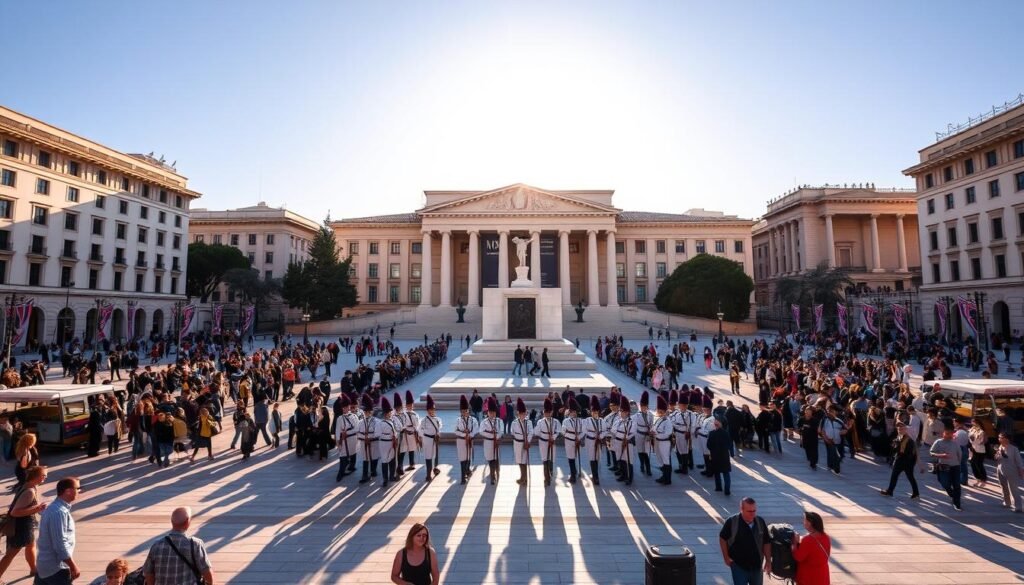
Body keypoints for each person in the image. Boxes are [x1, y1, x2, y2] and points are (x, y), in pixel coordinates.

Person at [142, 507, 214, 585]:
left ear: (172, 521)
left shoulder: (157, 545)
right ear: (187, 522)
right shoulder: (195, 544)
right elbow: (207, 573)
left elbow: (148, 573)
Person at [0, 465, 46, 581]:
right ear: (36, 477)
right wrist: (36, 509)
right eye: (43, 476)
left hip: (26, 525)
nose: (45, 478)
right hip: (20, 527)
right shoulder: (29, 491)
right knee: (11, 553)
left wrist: (37, 507)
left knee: (31, 546)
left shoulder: (30, 486)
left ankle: (34, 569)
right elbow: (15, 512)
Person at [35, 476, 81, 585]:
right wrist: (73, 565)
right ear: (68, 491)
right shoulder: (59, 512)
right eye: (77, 488)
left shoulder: (55, 508)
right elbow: (59, 544)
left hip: (45, 567)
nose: (80, 491)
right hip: (56, 569)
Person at [718, 497, 771, 585]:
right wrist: (726, 557)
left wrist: (768, 561)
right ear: (741, 509)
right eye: (749, 511)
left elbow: (766, 542)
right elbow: (722, 538)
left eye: (754, 511)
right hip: (739, 566)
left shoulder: (760, 522)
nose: (752, 514)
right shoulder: (732, 522)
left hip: (756, 566)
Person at [880, 422, 920, 499]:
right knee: (894, 476)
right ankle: (890, 491)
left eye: (902, 429)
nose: (900, 430)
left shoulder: (909, 440)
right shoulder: (898, 438)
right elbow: (894, 450)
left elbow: (910, 453)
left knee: (910, 477)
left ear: (905, 430)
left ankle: (916, 493)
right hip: (899, 460)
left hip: (906, 462)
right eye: (898, 429)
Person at [790, 511, 831, 585]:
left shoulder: (808, 540)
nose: (803, 522)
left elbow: (798, 557)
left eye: (805, 520)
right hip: (822, 574)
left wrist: (795, 544)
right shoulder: (826, 537)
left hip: (809, 576)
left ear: (810, 523)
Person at [930, 422, 963, 511]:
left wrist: (958, 464)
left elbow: (960, 455)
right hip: (943, 467)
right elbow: (931, 453)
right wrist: (941, 456)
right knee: (944, 483)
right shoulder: (938, 442)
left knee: (957, 485)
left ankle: (957, 503)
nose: (949, 435)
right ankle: (952, 494)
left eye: (951, 434)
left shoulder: (955, 443)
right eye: (947, 433)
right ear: (943, 433)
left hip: (955, 466)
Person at [994, 432, 1023, 512]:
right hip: (1000, 469)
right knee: (1003, 486)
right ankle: (1007, 502)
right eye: (999, 437)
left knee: (1013, 488)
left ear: (1006, 439)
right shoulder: (1000, 447)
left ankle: (1018, 507)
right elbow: (997, 458)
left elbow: (1019, 461)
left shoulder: (1014, 449)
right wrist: (997, 456)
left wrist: (1021, 471)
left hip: (1011, 470)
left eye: (1001, 437)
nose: (999, 439)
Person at [454, 396, 479, 485]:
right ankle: (463, 477)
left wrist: (471, 435)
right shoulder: (458, 420)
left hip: (470, 440)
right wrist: (464, 434)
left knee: (468, 457)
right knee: (462, 459)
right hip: (461, 441)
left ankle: (467, 471)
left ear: (468, 410)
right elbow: (455, 430)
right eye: (462, 411)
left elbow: (476, 429)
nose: (464, 412)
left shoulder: (473, 420)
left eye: (466, 410)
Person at [582, 395, 605, 485]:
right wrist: (593, 435)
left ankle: (595, 475)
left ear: (598, 412)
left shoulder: (601, 421)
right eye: (593, 411)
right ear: (591, 412)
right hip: (590, 441)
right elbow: (584, 430)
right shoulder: (587, 420)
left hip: (598, 441)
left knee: (597, 458)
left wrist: (601, 436)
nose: (595, 413)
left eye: (596, 412)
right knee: (592, 457)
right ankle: (595, 477)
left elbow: (605, 430)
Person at [511, 398, 534, 486]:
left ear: (526, 413)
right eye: (521, 414)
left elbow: (531, 432)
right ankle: (522, 477)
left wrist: (527, 441)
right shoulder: (514, 423)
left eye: (524, 414)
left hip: (525, 443)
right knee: (519, 461)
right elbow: (512, 432)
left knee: (524, 460)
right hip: (517, 443)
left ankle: (524, 478)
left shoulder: (529, 422)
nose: (522, 415)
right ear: (518, 413)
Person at [419, 396, 442, 481]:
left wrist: (438, 435)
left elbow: (439, 429)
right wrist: (421, 439)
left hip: (434, 439)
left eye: (433, 409)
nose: (432, 411)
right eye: (430, 409)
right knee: (428, 456)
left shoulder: (438, 419)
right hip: (427, 440)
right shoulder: (424, 420)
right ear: (427, 410)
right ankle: (428, 475)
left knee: (435, 455)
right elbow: (420, 430)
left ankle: (435, 468)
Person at [480, 397, 503, 485]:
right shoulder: (484, 422)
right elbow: (481, 431)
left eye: (493, 412)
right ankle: (492, 476)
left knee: (496, 458)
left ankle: (497, 471)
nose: (492, 414)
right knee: (490, 459)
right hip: (488, 442)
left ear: (495, 412)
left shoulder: (499, 421)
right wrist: (491, 435)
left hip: (496, 442)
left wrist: (496, 436)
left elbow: (501, 431)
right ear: (488, 412)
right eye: (490, 412)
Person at [707, 418, 733, 495]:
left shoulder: (711, 433)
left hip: (715, 455)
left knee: (717, 472)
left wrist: (713, 450)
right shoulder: (726, 433)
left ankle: (718, 487)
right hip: (724, 456)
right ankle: (727, 490)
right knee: (726, 473)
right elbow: (729, 444)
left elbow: (708, 445)